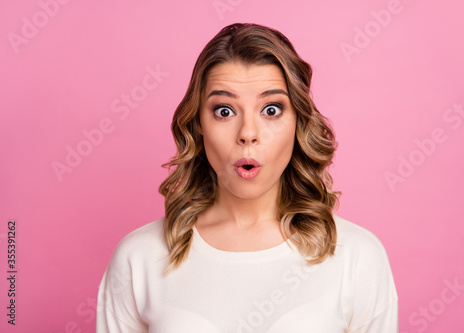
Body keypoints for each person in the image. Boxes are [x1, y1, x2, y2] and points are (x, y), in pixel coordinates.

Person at [96, 23, 398, 332]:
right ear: (198, 123)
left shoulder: (356, 257)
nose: (248, 134)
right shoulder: (139, 258)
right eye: (225, 111)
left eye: (271, 109)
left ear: (298, 121)